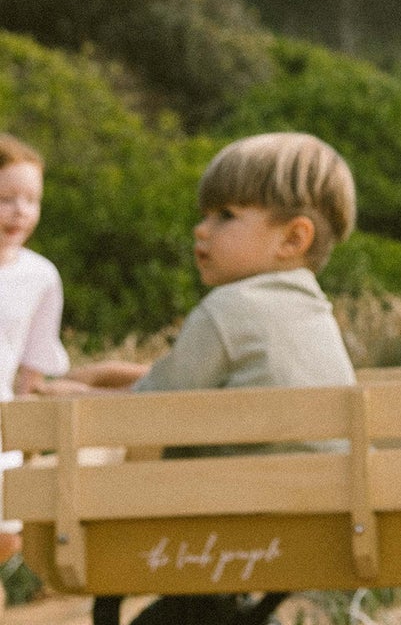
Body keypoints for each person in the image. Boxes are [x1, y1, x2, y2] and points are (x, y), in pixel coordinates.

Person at [62, 133, 358, 452]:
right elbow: (192, 384)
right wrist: (111, 374)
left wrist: (63, 398)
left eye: (225, 216)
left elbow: (144, 411)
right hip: (326, 496)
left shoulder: (231, 307)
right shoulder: (313, 310)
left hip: (245, 498)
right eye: (206, 216)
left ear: (293, 239)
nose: (201, 229)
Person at [0, 134, 69, 557]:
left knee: (6, 538)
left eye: (32, 199)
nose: (21, 211)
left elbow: (31, 375)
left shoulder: (41, 277)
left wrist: (23, 453)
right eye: (6, 198)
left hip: (2, 429)